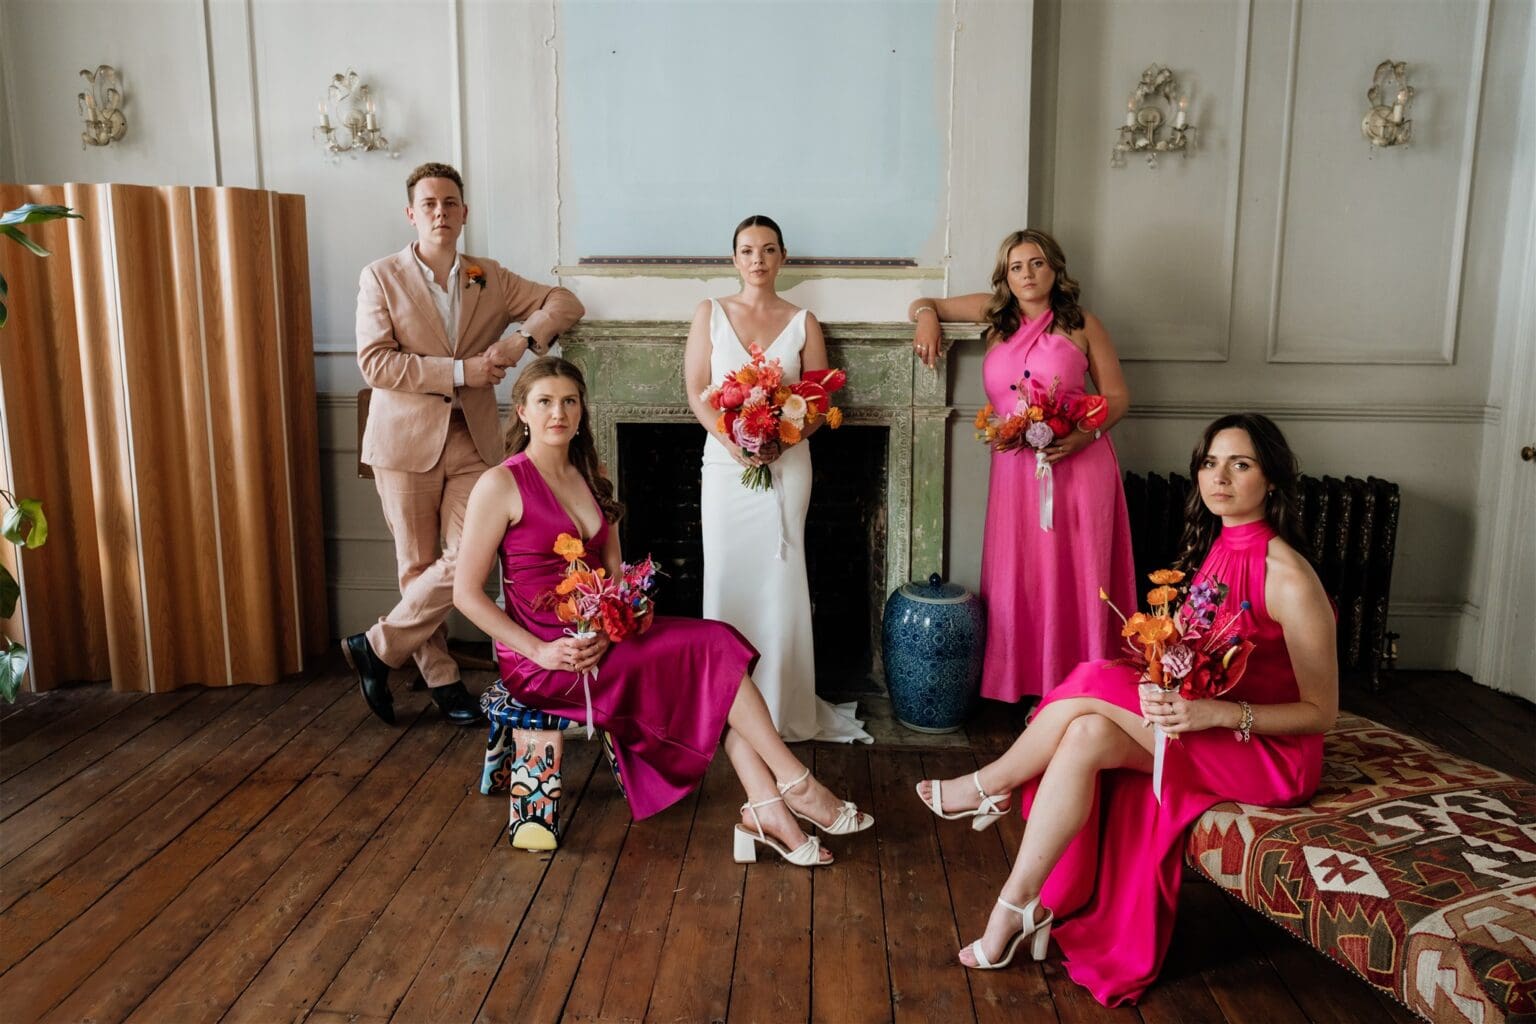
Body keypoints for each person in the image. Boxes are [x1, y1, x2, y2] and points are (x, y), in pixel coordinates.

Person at [915, 413, 1337, 1006]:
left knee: (1091, 678)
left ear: (1272, 480)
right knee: (1086, 731)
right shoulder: (1219, 550)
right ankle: (1015, 910)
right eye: (1210, 463)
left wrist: (1218, 716)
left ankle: (990, 785)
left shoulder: (1287, 576)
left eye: (1240, 464)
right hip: (1206, 724)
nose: (1220, 477)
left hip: (1266, 752)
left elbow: (1321, 713)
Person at [453, 357, 874, 859]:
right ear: (522, 411)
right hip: (545, 662)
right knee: (714, 655)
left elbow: (613, 580)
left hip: (602, 643)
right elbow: (466, 594)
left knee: (716, 654)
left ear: (582, 410)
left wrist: (610, 630)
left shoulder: (589, 475)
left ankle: (771, 805)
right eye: (544, 402)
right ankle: (792, 787)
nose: (558, 413)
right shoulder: (500, 484)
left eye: (569, 401)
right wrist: (540, 651)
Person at [342, 162, 584, 727]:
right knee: (417, 563)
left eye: (449, 203)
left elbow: (565, 302)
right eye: (428, 204)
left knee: (463, 558)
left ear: (464, 213)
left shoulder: (487, 275)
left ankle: (376, 647)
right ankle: (444, 681)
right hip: (404, 443)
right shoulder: (380, 276)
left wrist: (521, 339)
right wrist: (459, 372)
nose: (439, 213)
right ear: (411, 213)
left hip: (475, 443)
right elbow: (375, 361)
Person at [907, 229, 1136, 704]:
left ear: (1055, 269)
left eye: (1035, 264)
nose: (1027, 275)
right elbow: (925, 300)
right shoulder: (995, 317)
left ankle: (1085, 688)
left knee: (1079, 572)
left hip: (1079, 465)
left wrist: (1082, 437)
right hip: (1014, 473)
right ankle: (1028, 687)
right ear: (1005, 276)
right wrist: (927, 318)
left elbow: (1117, 397)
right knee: (1024, 575)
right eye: (1016, 267)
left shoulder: (1083, 324)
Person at [682, 214, 871, 744]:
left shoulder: (803, 319)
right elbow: (698, 390)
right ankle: (728, 706)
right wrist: (733, 441)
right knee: (725, 574)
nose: (757, 260)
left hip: (788, 462)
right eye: (747, 250)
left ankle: (781, 705)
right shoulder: (710, 313)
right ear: (734, 258)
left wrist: (782, 440)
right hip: (724, 464)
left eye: (768, 250)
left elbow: (818, 398)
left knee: (781, 576)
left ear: (782, 257)